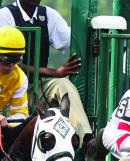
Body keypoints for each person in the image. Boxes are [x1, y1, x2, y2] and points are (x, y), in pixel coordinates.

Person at [0, 0, 93, 149]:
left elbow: (73, 42)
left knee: (63, 84)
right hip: (7, 89)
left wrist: (89, 45)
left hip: (33, 86)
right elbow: (8, 62)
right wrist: (53, 72)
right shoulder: (4, 16)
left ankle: (86, 141)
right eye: (8, 60)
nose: (11, 64)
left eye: (15, 59)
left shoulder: (49, 15)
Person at [0, 26, 29, 127]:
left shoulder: (20, 78)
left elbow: (20, 114)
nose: (12, 66)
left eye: (16, 61)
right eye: (7, 61)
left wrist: (8, 123)